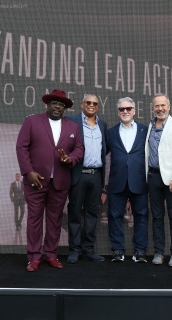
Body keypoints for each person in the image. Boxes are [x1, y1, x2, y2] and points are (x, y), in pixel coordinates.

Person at [16, 89, 84, 272]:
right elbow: (21, 147)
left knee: (54, 220)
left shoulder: (72, 127)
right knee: (34, 219)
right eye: (54, 103)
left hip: (60, 181)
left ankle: (51, 255)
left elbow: (79, 148)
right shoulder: (32, 121)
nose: (57, 107)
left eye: (61, 105)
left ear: (64, 108)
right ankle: (33, 257)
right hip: (35, 180)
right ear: (47, 104)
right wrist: (28, 172)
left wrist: (70, 159)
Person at [145, 93, 172, 267]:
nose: (160, 108)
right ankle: (159, 252)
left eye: (163, 105)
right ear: (153, 107)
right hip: (153, 177)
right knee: (156, 217)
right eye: (157, 106)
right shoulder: (149, 125)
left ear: (169, 107)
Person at [65, 94, 107, 263]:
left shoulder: (102, 125)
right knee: (75, 213)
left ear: (98, 106)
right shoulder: (71, 121)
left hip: (96, 176)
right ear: (82, 104)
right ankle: (74, 250)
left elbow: (106, 149)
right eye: (88, 102)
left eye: (95, 103)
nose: (91, 105)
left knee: (92, 214)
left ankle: (88, 249)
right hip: (78, 174)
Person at [107, 97, 149, 262]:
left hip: (139, 181)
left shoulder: (145, 130)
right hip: (117, 181)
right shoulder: (110, 132)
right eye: (122, 109)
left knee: (141, 215)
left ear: (134, 110)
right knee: (114, 216)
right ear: (118, 112)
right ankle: (117, 250)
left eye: (128, 108)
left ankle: (140, 251)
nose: (125, 111)